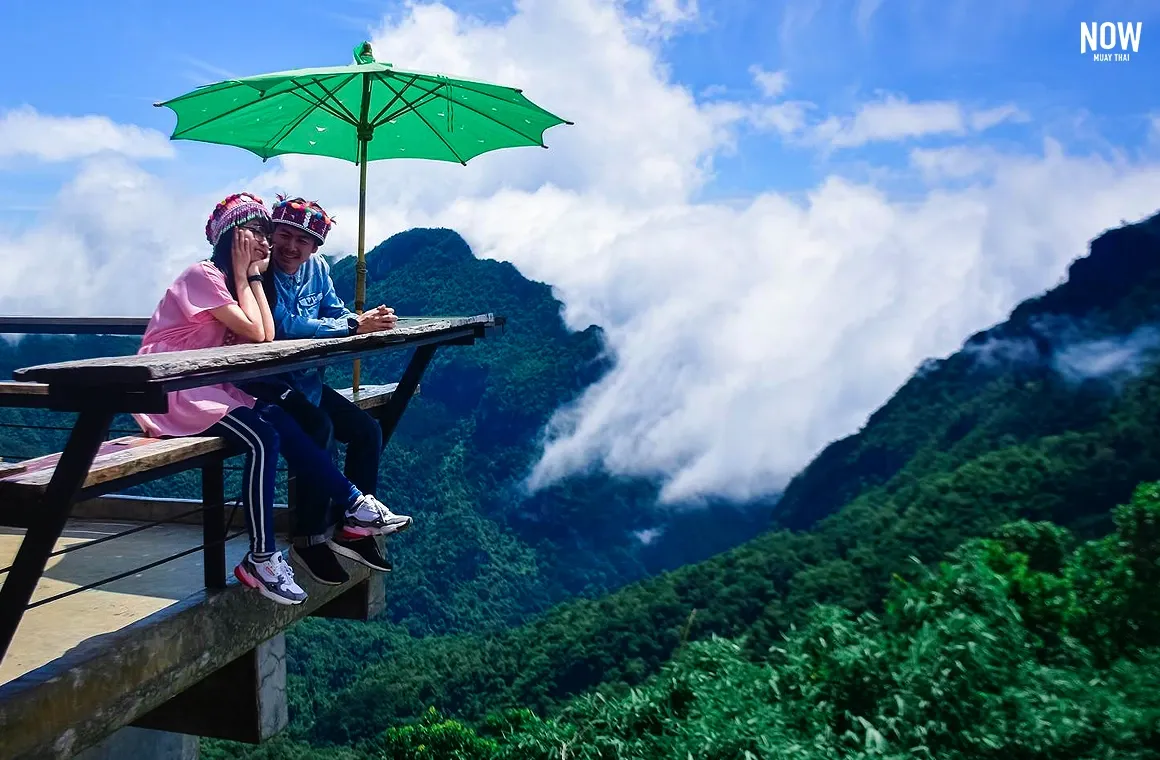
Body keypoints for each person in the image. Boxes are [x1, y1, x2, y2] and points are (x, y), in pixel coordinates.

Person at [132, 192, 405, 605]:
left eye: (267, 233)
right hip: (173, 386)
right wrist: (249, 276)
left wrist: (249, 276)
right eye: (261, 233)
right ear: (233, 237)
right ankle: (265, 556)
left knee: (287, 425)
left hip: (214, 381)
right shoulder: (204, 276)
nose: (271, 245)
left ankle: (352, 506)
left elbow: (263, 332)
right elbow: (267, 333)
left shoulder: (239, 278)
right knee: (269, 436)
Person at [237, 195, 410, 587]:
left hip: (308, 382)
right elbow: (283, 325)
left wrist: (360, 319)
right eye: (284, 235)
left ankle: (356, 528)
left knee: (367, 430)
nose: (291, 247)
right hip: (271, 386)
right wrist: (352, 328)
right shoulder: (261, 272)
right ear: (272, 234)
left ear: (316, 246)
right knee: (320, 432)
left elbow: (332, 309)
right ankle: (310, 540)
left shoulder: (316, 269)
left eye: (303, 240)